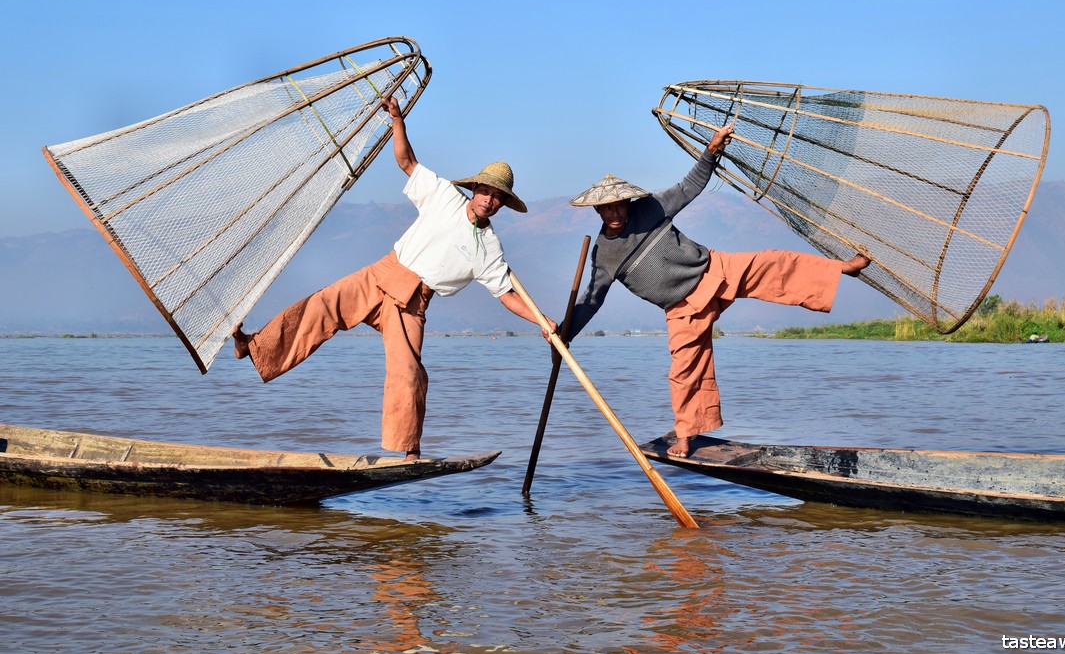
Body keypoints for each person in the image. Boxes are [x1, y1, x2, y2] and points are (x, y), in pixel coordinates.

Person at [233, 95, 557, 461]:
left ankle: (409, 450)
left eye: (497, 197)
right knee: (320, 306)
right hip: (383, 272)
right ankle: (254, 346)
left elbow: (506, 294)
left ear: (502, 204)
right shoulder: (444, 197)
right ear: (475, 189)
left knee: (408, 371)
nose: (489, 200)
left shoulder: (489, 247)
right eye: (486, 191)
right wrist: (398, 121)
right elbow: (406, 162)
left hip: (412, 301)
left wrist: (541, 320)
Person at [565, 123, 869, 458]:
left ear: (628, 201)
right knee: (684, 371)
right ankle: (685, 434)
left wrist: (711, 151)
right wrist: (564, 334)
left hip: (713, 270)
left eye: (619, 205)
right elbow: (591, 301)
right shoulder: (604, 255)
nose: (615, 213)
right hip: (682, 309)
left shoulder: (649, 209)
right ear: (596, 211)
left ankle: (842, 268)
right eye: (607, 209)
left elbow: (688, 187)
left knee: (772, 263)